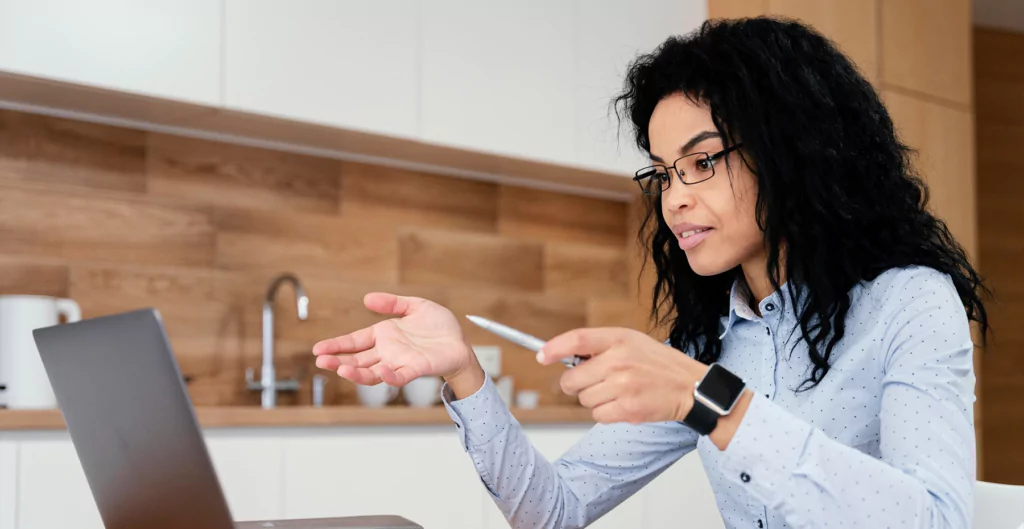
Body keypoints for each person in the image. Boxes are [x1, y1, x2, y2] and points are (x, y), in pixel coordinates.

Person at [312, 16, 988, 529]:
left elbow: (938, 519)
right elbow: (555, 508)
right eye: (663, 173)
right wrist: (463, 372)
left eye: (702, 161)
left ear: (794, 152)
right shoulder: (711, 344)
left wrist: (713, 398)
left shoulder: (911, 304)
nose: (675, 197)